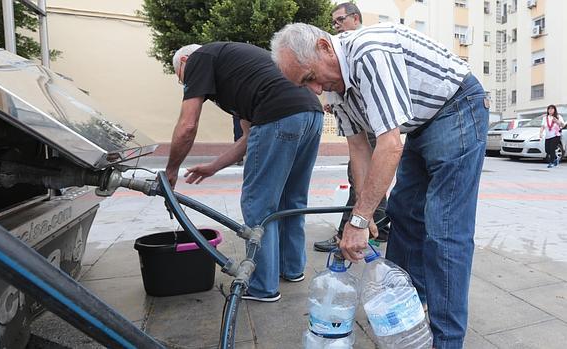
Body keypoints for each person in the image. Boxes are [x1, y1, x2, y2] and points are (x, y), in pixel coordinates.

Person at [271, 22, 488, 348]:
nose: (315, 90)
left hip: (457, 106)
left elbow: (389, 145)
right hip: (420, 123)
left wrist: (358, 221)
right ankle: (409, 314)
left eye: (310, 78)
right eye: (306, 85)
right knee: (403, 213)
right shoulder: (333, 86)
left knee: (444, 230)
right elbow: (359, 149)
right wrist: (365, 211)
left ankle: (446, 341)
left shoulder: (369, 52)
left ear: (324, 48)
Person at [166, 42, 323, 302]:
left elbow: (187, 125)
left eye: (181, 79)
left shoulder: (198, 58)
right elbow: (250, 137)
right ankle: (292, 269)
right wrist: (214, 166)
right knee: (292, 200)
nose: (188, 84)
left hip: (280, 114)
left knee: (258, 204)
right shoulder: (239, 72)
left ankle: (262, 286)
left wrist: (171, 169)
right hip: (311, 114)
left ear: (184, 62)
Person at [313, 1, 390, 253]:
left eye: (340, 20)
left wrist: (360, 219)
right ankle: (373, 225)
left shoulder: (363, 48)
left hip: (375, 124)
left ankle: (364, 228)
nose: (336, 26)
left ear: (355, 18)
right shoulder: (341, 56)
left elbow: (390, 146)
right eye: (333, 23)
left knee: (368, 176)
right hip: (363, 124)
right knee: (363, 175)